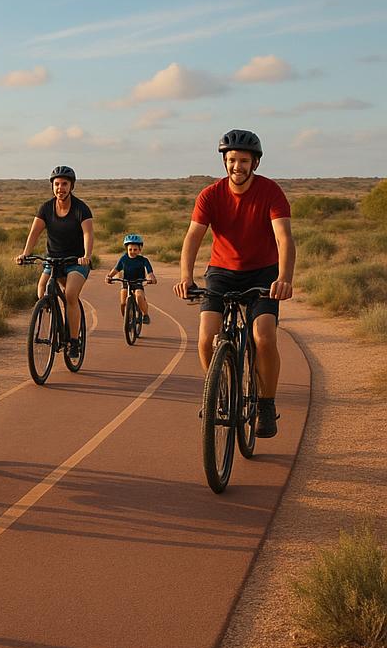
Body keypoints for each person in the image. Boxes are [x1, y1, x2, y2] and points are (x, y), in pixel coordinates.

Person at [173, 130, 295, 437]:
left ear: (254, 162)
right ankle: (220, 392)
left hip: (263, 273)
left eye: (243, 160)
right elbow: (192, 238)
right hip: (221, 272)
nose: (236, 166)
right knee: (204, 339)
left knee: (263, 336)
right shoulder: (210, 195)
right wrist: (186, 276)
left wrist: (284, 278)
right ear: (224, 162)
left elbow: (284, 238)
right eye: (231, 160)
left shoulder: (270, 192)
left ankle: (266, 404)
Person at [15, 165, 94, 360]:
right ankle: (50, 310)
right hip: (53, 259)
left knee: (70, 294)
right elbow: (35, 233)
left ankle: (74, 341)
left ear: (71, 186)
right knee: (41, 289)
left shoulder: (81, 209)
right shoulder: (46, 208)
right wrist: (25, 254)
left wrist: (86, 255)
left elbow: (88, 233)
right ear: (52, 186)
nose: (60, 188)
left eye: (64, 184)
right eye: (57, 184)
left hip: (76, 261)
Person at [105, 233, 157, 323]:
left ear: (140, 249)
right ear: (126, 249)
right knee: (123, 303)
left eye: (135, 249)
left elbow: (150, 272)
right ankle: (127, 320)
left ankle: (145, 315)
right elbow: (116, 269)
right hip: (125, 282)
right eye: (130, 249)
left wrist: (151, 278)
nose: (132, 251)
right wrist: (109, 276)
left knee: (139, 296)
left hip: (138, 282)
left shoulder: (143, 260)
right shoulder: (123, 259)